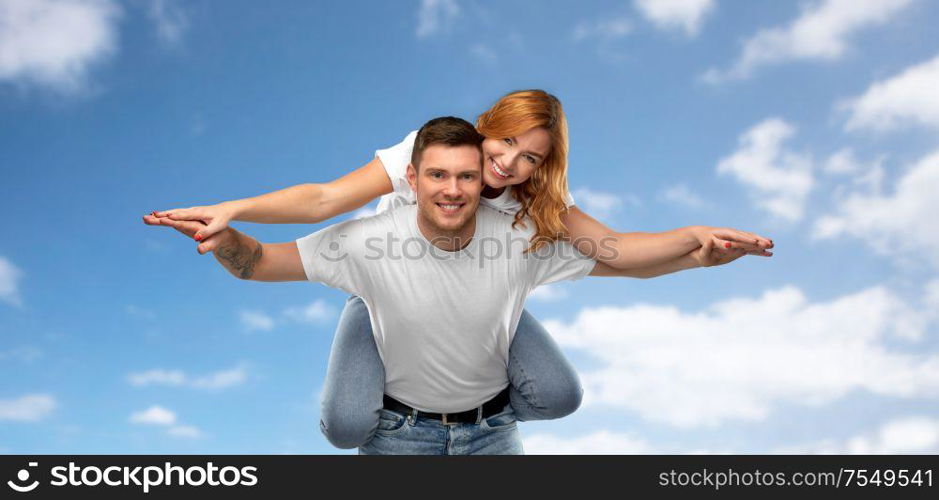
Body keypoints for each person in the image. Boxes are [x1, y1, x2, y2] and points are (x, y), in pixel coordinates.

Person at [151, 90, 773, 448]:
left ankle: (479, 395)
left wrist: (697, 244)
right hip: (386, 293)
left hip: (488, 296)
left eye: (529, 158)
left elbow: (614, 250)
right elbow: (322, 200)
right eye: (503, 145)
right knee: (346, 420)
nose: (508, 165)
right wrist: (233, 210)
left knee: (558, 389)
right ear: (482, 133)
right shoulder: (429, 150)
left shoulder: (534, 204)